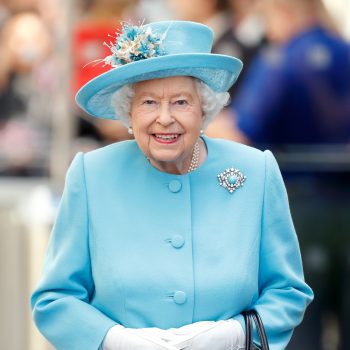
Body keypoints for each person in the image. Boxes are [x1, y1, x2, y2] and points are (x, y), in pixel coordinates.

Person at [31, 20, 313, 350]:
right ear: (129, 112)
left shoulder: (255, 171)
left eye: (181, 102)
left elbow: (288, 292)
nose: (165, 118)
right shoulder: (92, 174)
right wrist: (117, 341)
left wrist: (236, 335)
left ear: (205, 108)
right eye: (149, 102)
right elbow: (55, 299)